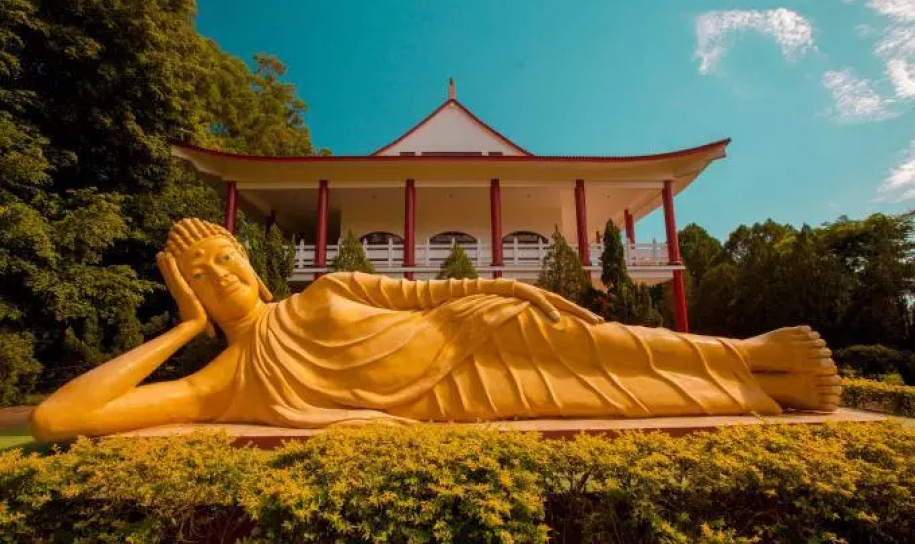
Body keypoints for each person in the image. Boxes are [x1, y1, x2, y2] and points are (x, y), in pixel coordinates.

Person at [30, 219, 841, 442]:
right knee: (618, 394)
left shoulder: (327, 288)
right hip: (455, 397)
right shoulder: (220, 384)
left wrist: (512, 288)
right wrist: (184, 328)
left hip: (471, 326)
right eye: (202, 274)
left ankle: (751, 354)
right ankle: (761, 383)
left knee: (605, 342)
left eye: (228, 257)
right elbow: (60, 418)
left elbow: (424, 292)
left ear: (251, 259)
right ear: (191, 292)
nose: (224, 274)